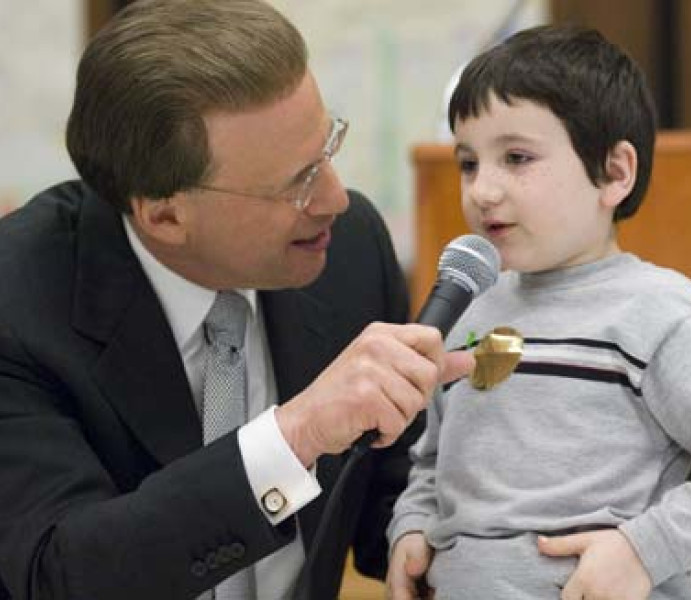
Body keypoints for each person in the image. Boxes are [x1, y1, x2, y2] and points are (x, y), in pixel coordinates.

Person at [0, 1, 474, 599]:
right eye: (297, 183)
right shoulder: (16, 302)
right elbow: (61, 574)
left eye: (328, 148)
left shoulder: (347, 253)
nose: (336, 199)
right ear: (165, 214)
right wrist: (295, 435)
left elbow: (392, 493)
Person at [386, 25, 691, 600]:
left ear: (614, 172)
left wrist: (642, 549)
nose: (482, 190)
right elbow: (432, 461)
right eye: (468, 163)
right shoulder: (469, 307)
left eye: (516, 157)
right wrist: (411, 526)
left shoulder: (656, 310)